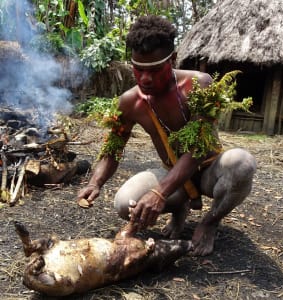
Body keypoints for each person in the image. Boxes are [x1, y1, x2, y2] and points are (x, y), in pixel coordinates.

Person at [77, 15, 257, 256]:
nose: (145, 79)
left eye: (154, 70)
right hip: (172, 173)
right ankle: (178, 208)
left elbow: (198, 150)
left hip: (209, 172)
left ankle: (210, 222)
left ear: (172, 60)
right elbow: (113, 148)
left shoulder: (199, 85)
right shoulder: (130, 102)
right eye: (138, 70)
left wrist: (159, 192)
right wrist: (94, 182)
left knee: (242, 164)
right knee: (124, 204)